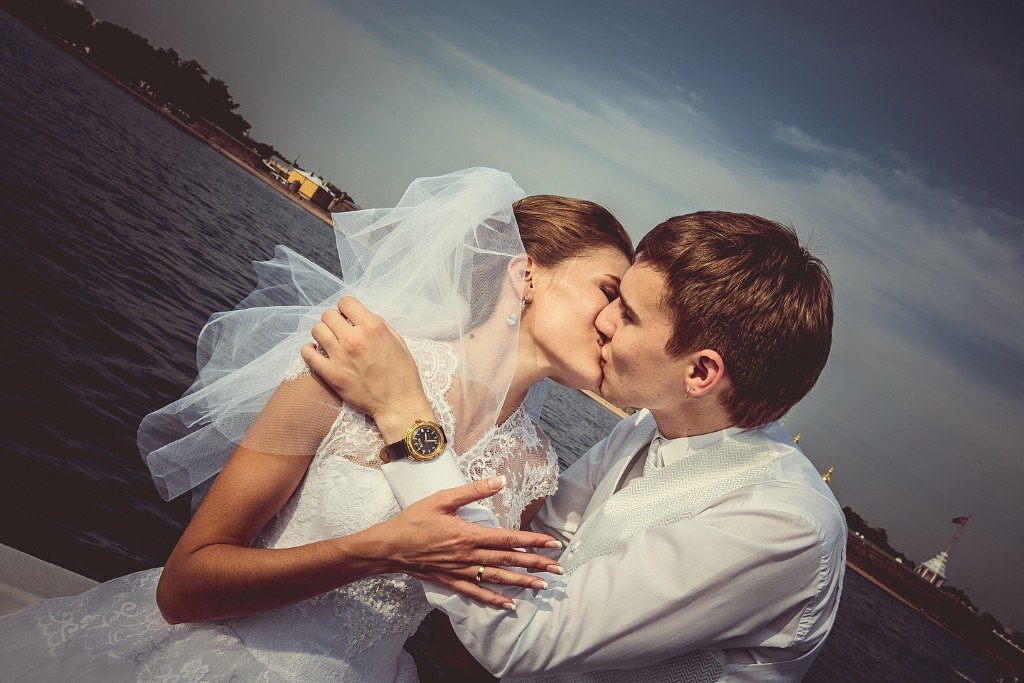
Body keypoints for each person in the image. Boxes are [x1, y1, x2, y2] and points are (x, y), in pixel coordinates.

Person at [0, 168, 634, 681]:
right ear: (526, 274)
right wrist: (378, 550)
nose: (615, 324)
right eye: (611, 293)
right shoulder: (352, 364)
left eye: (630, 312)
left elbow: (477, 632)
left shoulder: (535, 469)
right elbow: (184, 586)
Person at [308, 210, 845, 681]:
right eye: (613, 297)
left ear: (700, 373)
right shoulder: (644, 426)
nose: (603, 321)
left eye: (627, 313)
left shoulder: (782, 525)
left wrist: (403, 410)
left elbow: (523, 634)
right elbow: (532, 551)